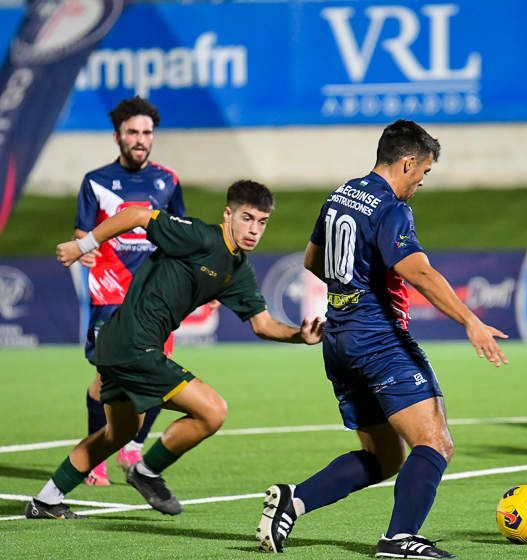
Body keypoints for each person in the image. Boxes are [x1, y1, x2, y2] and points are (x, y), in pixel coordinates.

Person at [256, 120, 508, 558]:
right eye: (424, 173)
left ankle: (292, 501)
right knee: (435, 443)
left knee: (385, 458)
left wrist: (353, 283)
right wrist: (470, 320)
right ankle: (400, 537)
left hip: (339, 341)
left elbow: (314, 260)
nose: (421, 183)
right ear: (408, 162)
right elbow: (419, 271)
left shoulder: (341, 195)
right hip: (379, 342)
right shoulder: (392, 208)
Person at [25, 180, 324, 520]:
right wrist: (85, 245)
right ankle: (146, 472)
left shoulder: (237, 270)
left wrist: (302, 336)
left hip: (121, 347)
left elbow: (263, 324)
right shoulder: (199, 236)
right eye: (247, 218)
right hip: (133, 344)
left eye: (261, 222)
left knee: (117, 433)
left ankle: (46, 501)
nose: (254, 229)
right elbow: (137, 214)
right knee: (212, 411)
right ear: (228, 214)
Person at [75, 96, 185, 486]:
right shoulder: (95, 181)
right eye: (133, 132)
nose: (140, 139)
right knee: (106, 382)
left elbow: (179, 232)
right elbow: (82, 232)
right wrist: (84, 251)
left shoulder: (168, 181)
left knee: (157, 376)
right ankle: (95, 454)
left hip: (155, 298)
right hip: (109, 294)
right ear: (118, 136)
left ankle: (133, 444)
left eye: (147, 132)